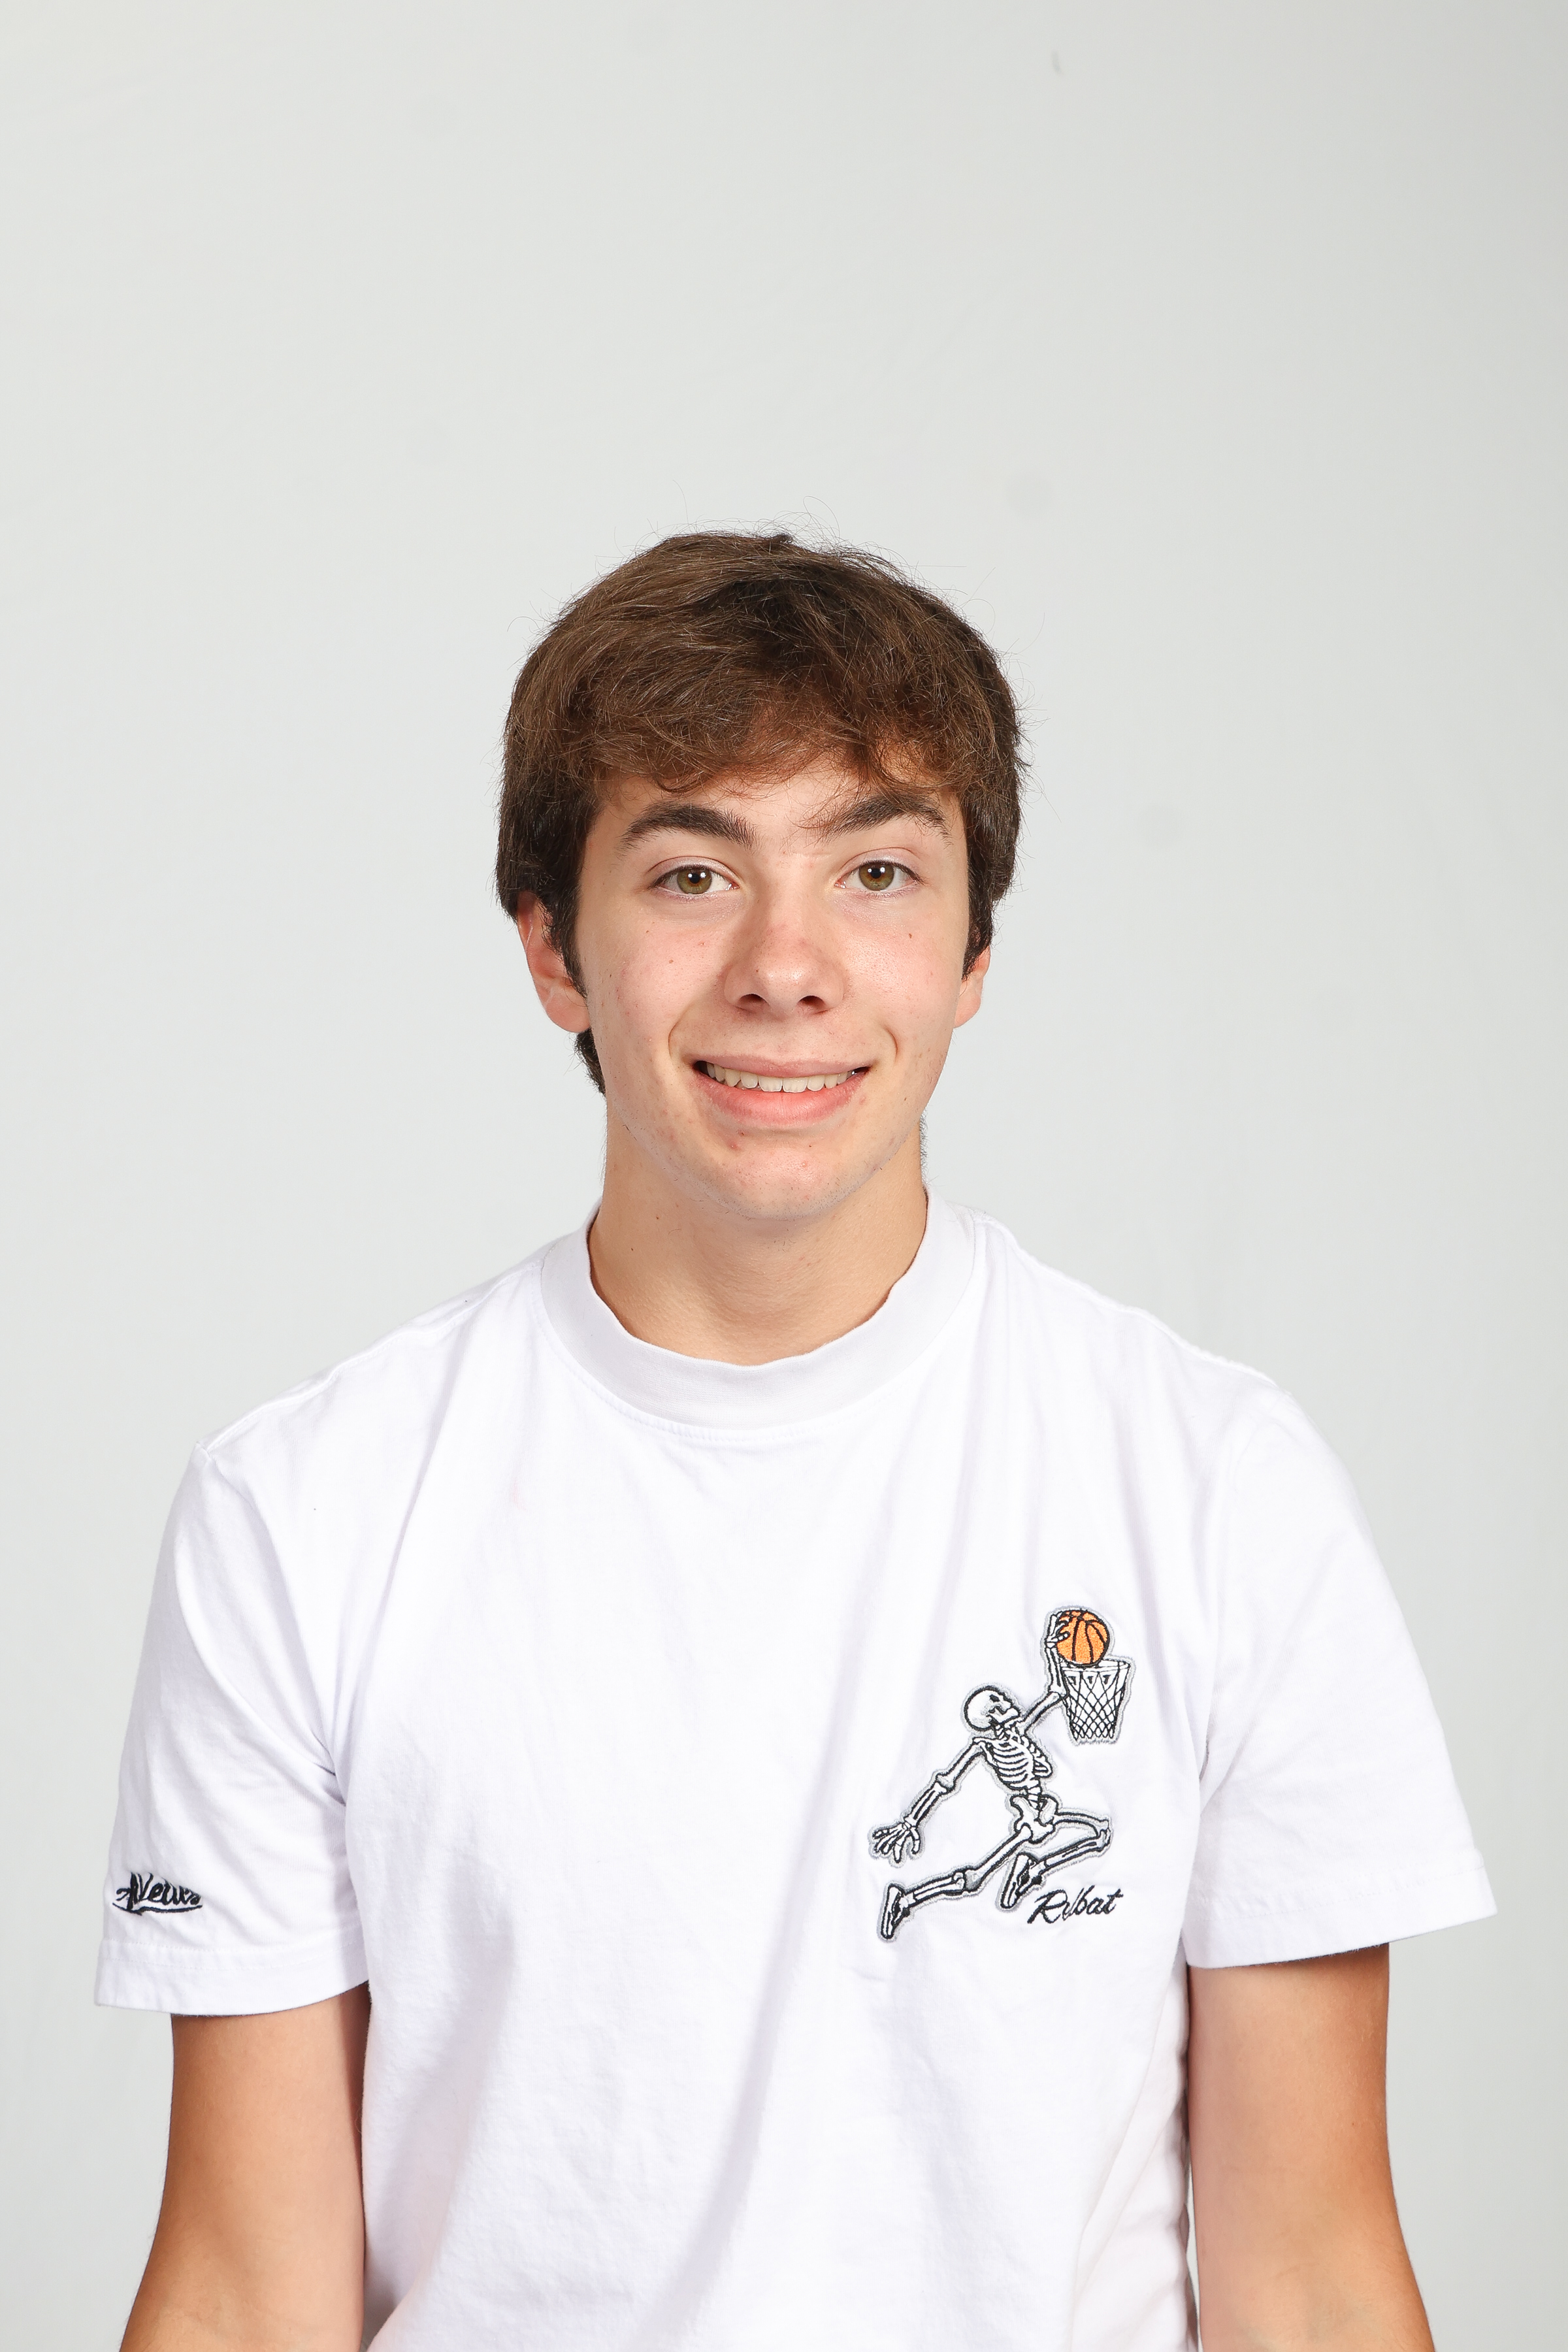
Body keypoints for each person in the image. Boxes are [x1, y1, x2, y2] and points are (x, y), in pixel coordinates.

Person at [100, 532, 1492, 2352]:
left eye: (876, 873)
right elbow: (240, 2293)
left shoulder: (1220, 1492)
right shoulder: (303, 1513)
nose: (787, 966)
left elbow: (1310, 2282)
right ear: (552, 949)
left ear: (973, 953)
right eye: (693, 872)